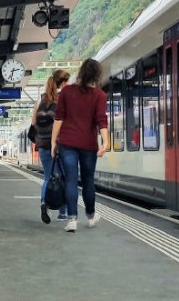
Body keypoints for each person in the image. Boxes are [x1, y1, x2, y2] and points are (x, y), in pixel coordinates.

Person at [52, 58, 110, 233]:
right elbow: (102, 121)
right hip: (88, 145)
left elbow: (59, 118)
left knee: (70, 180)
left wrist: (53, 141)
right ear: (97, 75)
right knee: (88, 181)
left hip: (67, 143)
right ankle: (91, 217)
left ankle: (72, 220)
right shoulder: (100, 95)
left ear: (81, 72)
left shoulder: (66, 92)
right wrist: (105, 142)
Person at [33, 69, 71, 224]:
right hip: (59, 145)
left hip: (42, 145)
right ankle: (63, 213)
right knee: (63, 178)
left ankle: (44, 203)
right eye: (67, 81)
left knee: (48, 177)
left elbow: (33, 123)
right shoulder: (63, 99)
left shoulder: (40, 100)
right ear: (62, 83)